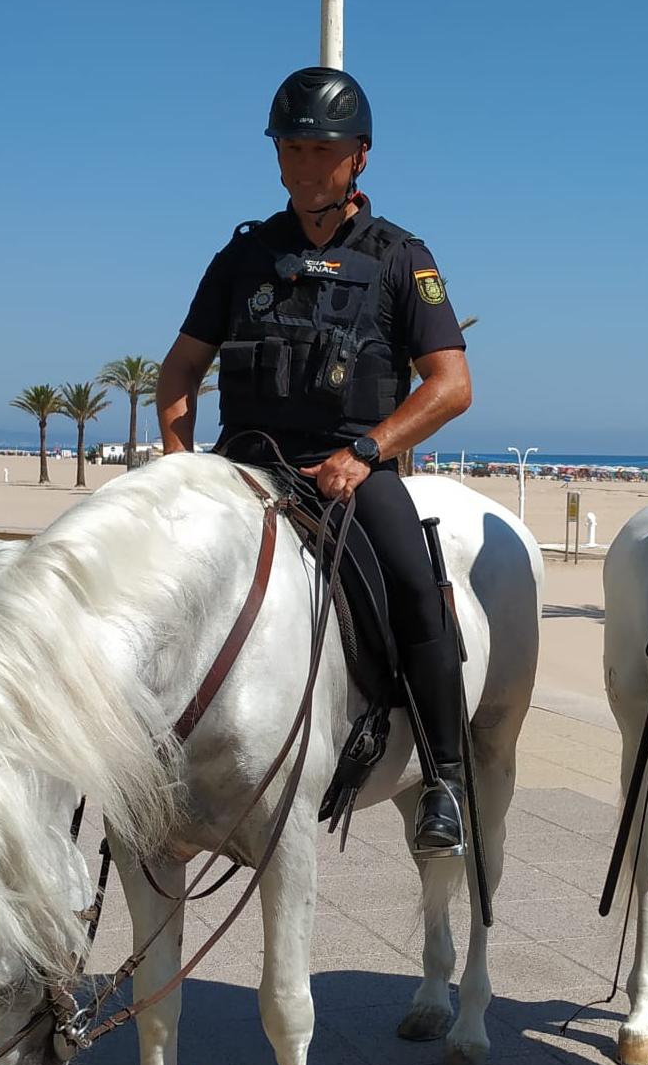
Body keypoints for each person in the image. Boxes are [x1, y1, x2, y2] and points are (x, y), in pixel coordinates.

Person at [155, 66, 474, 855]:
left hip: (352, 474)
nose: (303, 166)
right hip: (242, 471)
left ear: (359, 156)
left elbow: (451, 385)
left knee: (415, 589)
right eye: (290, 149)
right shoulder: (243, 258)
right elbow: (178, 372)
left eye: (320, 151)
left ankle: (445, 781)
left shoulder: (402, 257)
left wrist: (366, 452)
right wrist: (177, 463)